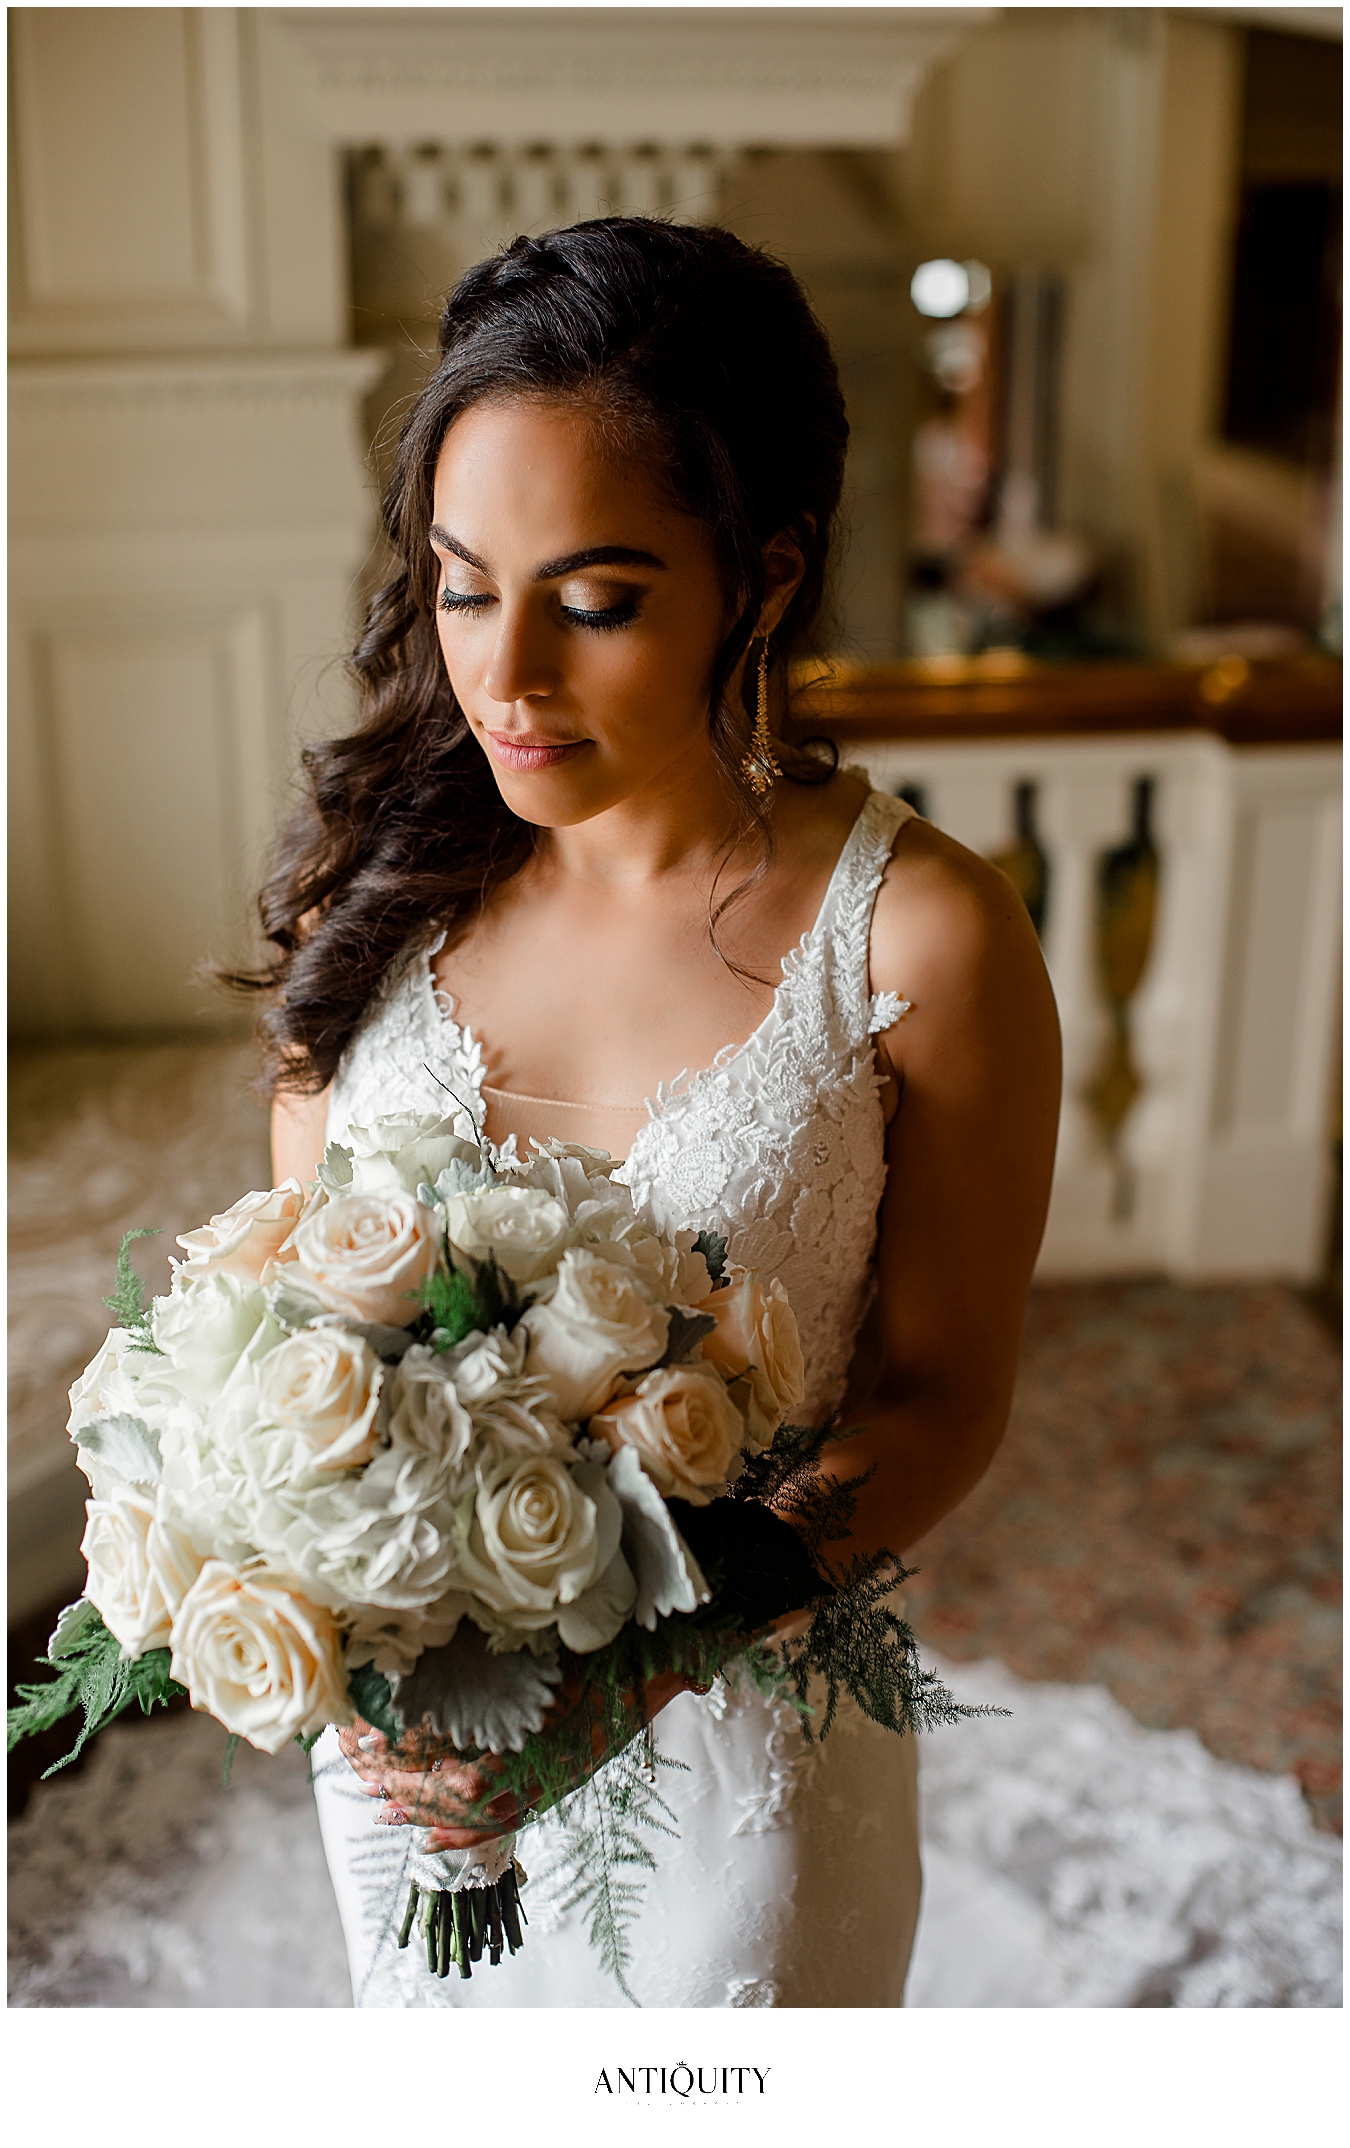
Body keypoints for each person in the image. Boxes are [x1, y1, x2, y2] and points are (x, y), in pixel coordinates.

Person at [252, 217, 1060, 2007]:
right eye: (466, 585)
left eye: (594, 601)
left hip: (734, 1772)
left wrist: (631, 1668)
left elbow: (940, 1402)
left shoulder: (920, 935)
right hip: (412, 1764)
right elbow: (296, 1335)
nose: (508, 675)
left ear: (763, 576)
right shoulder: (364, 905)